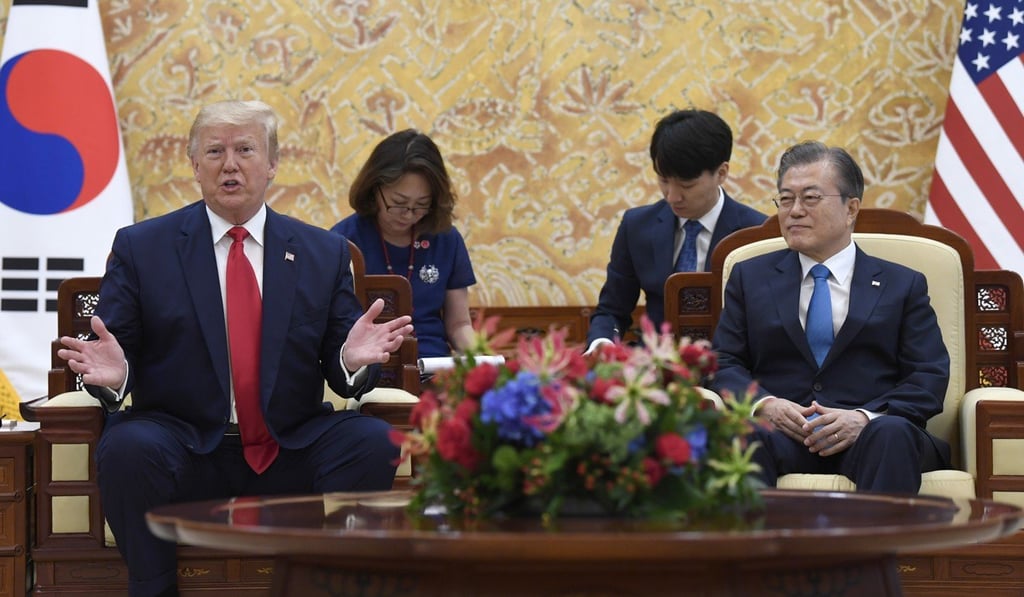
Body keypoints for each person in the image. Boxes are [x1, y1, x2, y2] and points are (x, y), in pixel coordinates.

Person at [56, 100, 414, 597]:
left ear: (271, 164)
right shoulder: (143, 247)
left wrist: (350, 362)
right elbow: (117, 350)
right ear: (194, 165)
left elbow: (339, 361)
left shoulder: (320, 252)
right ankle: (153, 587)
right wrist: (117, 378)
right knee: (128, 447)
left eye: (245, 149)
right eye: (214, 151)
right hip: (182, 444)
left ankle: (322, 582)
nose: (230, 164)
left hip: (287, 442)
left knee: (372, 442)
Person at [710, 140, 950, 494]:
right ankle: (754, 550)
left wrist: (864, 418)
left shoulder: (902, 284)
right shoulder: (750, 278)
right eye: (786, 199)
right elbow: (723, 363)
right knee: (742, 433)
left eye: (810, 198)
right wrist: (765, 404)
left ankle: (877, 551)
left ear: (851, 208)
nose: (794, 211)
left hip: (872, 437)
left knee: (892, 432)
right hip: (784, 435)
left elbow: (927, 375)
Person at [585, 109, 766, 353]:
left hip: (731, 371)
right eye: (663, 180)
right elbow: (612, 310)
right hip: (655, 370)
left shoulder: (756, 234)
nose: (672, 196)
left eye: (686, 185)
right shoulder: (637, 226)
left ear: (721, 173)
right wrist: (602, 343)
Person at [332, 129, 476, 358]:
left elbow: (459, 325)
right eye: (399, 203)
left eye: (421, 204)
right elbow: (333, 330)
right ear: (374, 189)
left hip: (434, 371)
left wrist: (484, 362)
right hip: (370, 374)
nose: (409, 215)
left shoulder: (446, 239)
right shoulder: (343, 241)